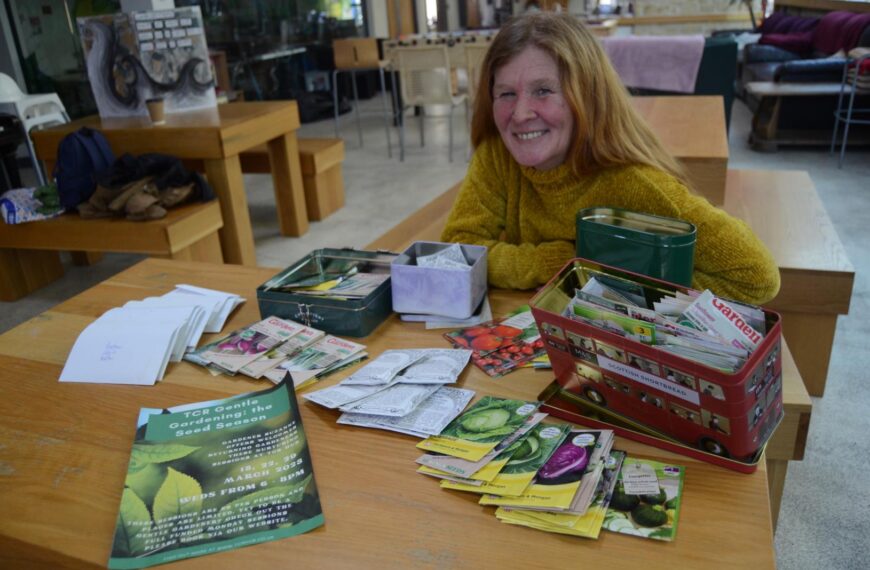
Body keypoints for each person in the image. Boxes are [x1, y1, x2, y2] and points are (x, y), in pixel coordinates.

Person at [441, 12, 780, 304]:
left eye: (543, 90)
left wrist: (616, 287)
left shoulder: (634, 185)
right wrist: (552, 263)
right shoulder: (497, 156)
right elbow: (458, 249)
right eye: (506, 94)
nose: (520, 113)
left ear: (586, 96)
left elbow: (756, 277)